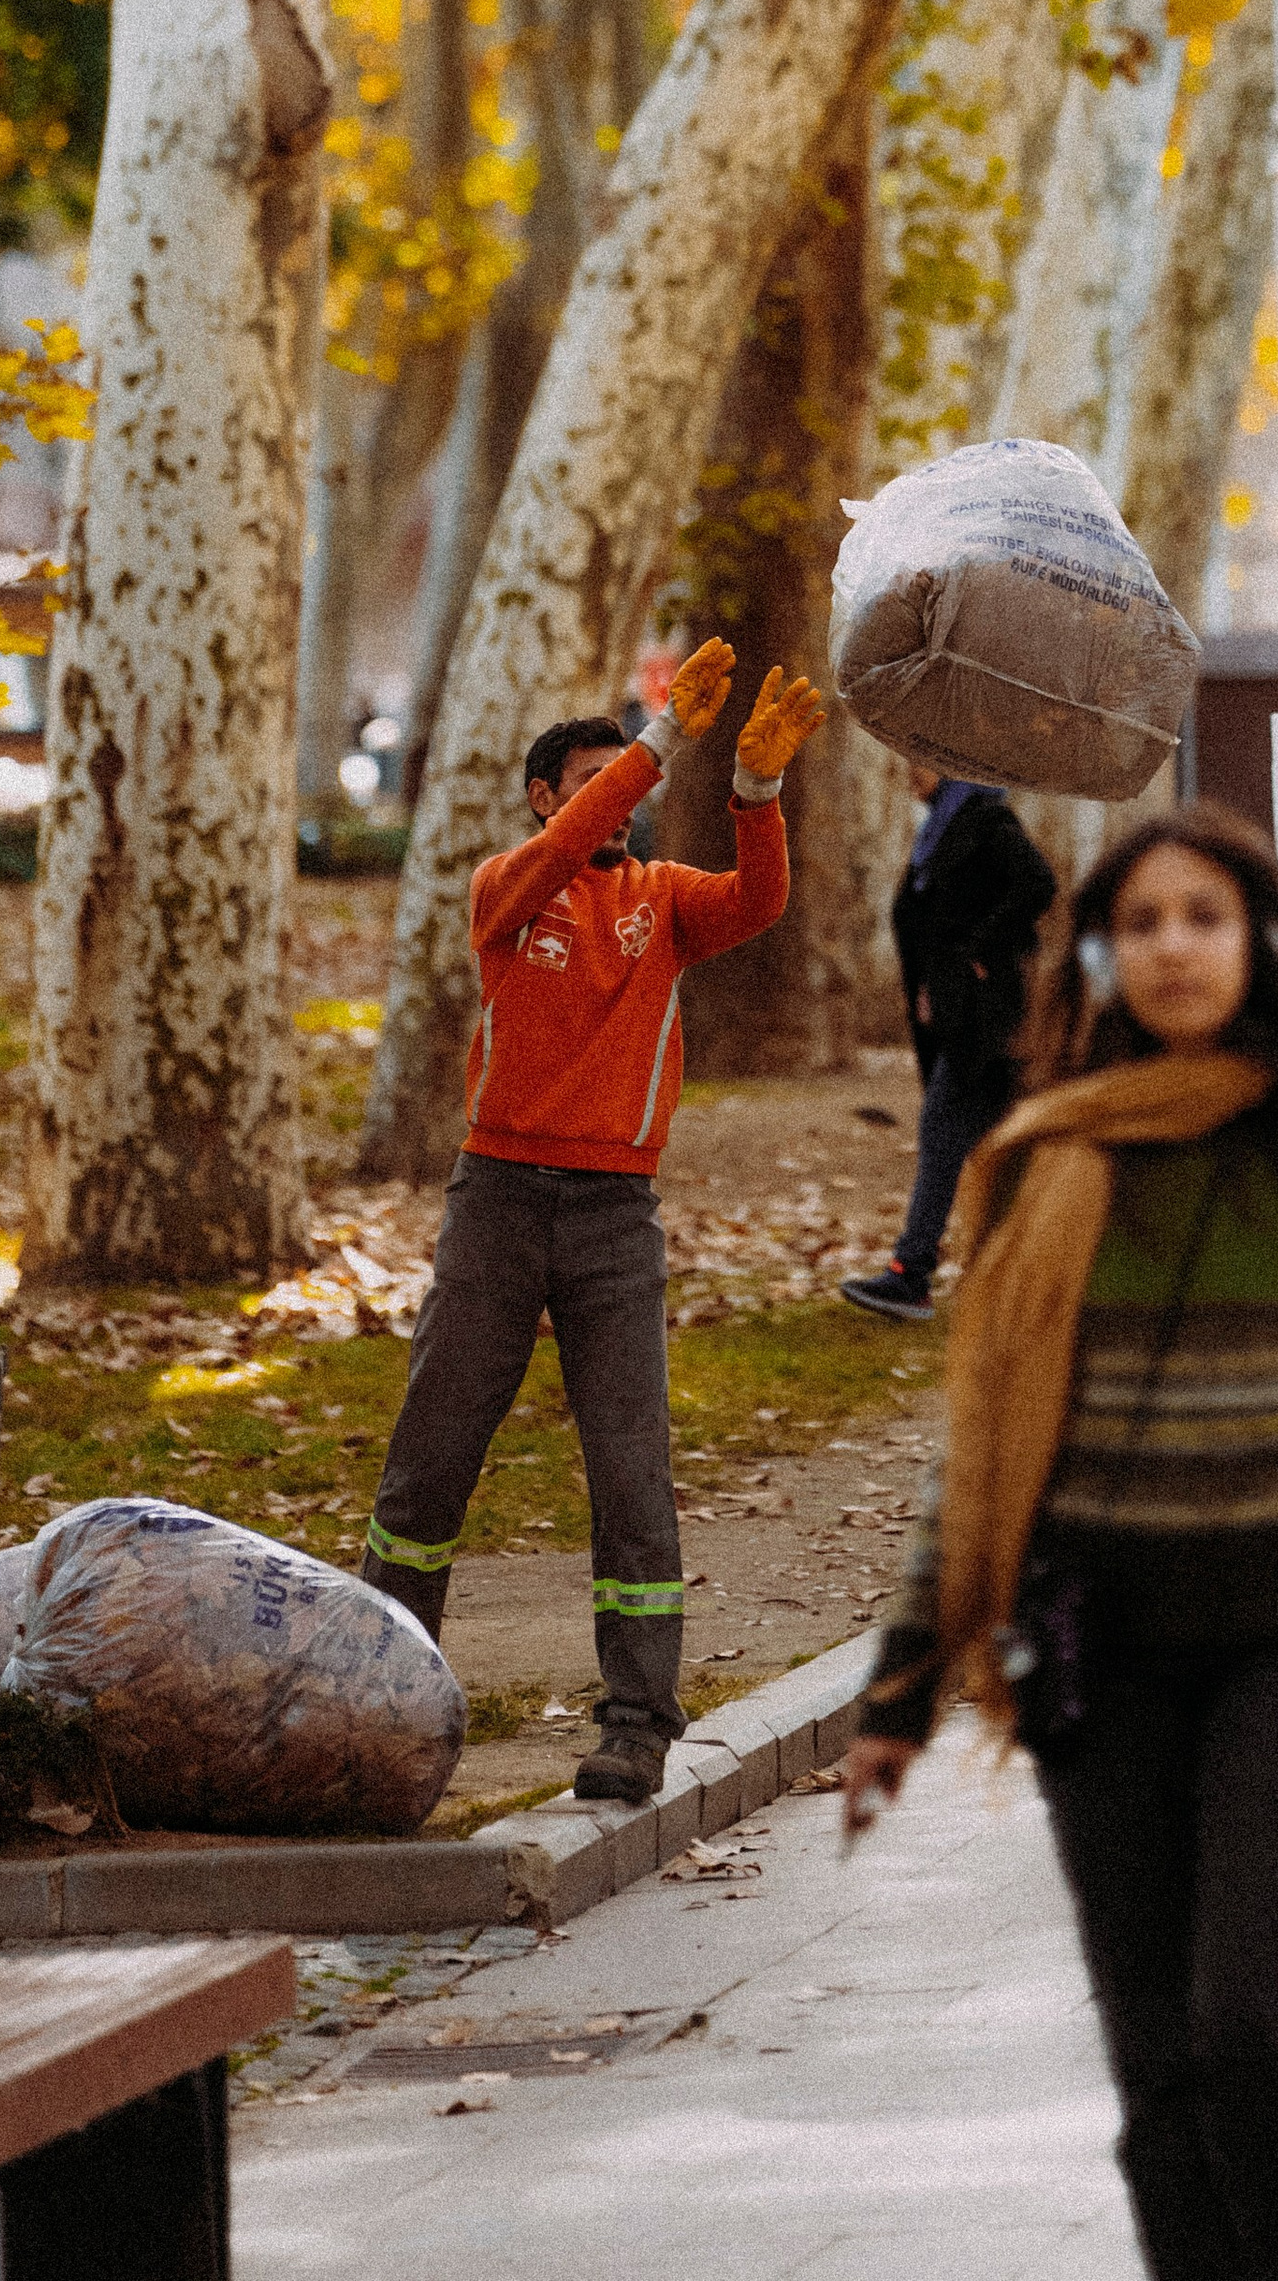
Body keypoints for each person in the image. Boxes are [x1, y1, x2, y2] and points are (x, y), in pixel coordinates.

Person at [838, 802, 1278, 2281]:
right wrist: (899, 1687)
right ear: (1100, 961)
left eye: (1204, 916)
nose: (1174, 946)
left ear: (1259, 942)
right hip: (1098, 1658)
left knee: (1262, 2022)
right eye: (1141, 923)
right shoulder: (1041, 1156)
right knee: (1159, 2063)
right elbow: (982, 1443)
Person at [360, 638, 827, 1805]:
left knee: (631, 1470)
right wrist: (659, 740)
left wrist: (756, 788)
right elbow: (572, 838)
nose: (619, 802)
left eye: (624, 782)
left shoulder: (661, 900)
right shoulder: (507, 886)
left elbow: (760, 899)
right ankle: (376, 1702)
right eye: (592, 783)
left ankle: (636, 1721)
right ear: (544, 798)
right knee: (430, 1458)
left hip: (616, 1216)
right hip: (496, 1202)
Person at [841, 757, 1057, 1320]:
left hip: (985, 1019)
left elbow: (1038, 884)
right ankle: (1027, 1277)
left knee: (944, 1132)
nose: (910, 773)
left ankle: (911, 1274)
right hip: (963, 1016)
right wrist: (934, 984)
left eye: (921, 762)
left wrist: (977, 954)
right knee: (999, 1144)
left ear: (951, 764)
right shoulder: (942, 825)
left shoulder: (985, 818)